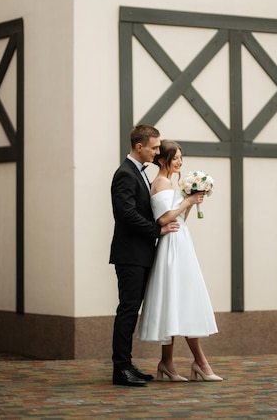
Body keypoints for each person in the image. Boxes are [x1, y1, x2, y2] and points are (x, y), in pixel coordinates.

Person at [138, 139, 222, 382]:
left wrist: (191, 199)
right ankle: (200, 363)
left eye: (181, 158)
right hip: (172, 245)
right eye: (175, 158)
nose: (180, 162)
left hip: (181, 241)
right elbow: (163, 219)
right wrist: (187, 201)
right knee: (181, 297)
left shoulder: (171, 183)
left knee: (177, 300)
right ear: (163, 159)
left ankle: (167, 363)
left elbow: (179, 218)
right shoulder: (162, 182)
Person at [110, 124, 180, 387]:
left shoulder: (138, 173)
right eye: (154, 147)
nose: (157, 151)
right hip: (130, 254)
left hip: (140, 253)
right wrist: (157, 229)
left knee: (131, 310)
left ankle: (126, 365)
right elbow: (126, 214)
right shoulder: (125, 174)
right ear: (139, 147)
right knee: (127, 310)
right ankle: (121, 369)